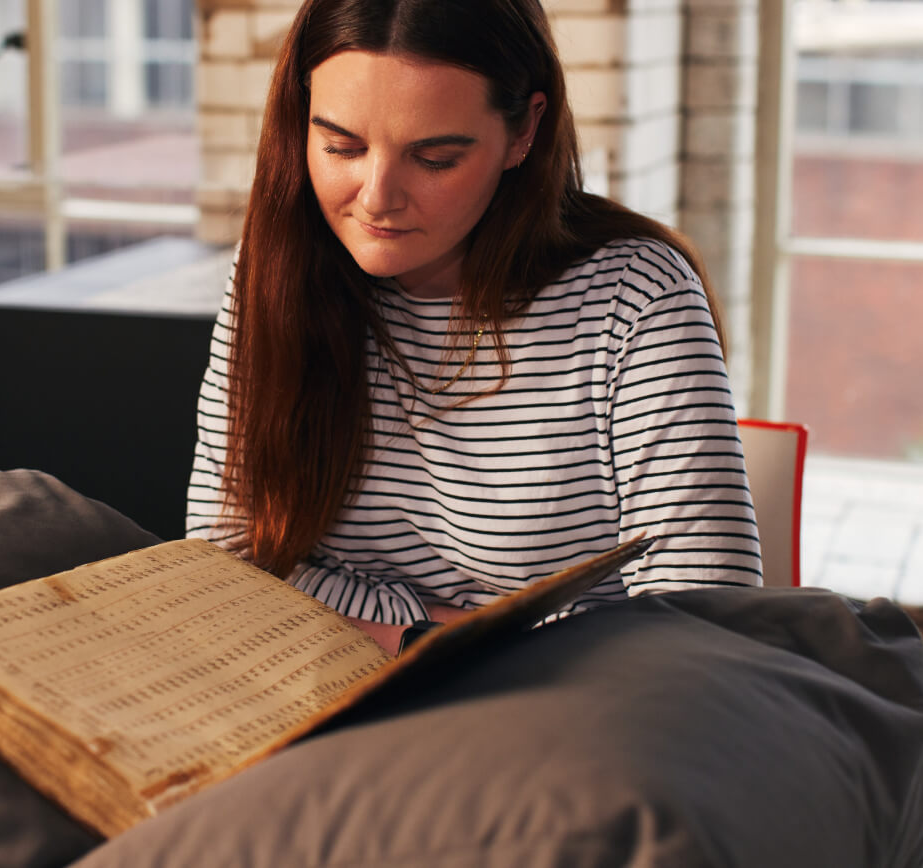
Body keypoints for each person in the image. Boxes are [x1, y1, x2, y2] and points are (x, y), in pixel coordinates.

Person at [186, 0, 762, 653]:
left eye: (434, 158)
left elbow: (710, 630)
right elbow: (220, 567)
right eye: (341, 145)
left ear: (524, 132)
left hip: (565, 713)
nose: (376, 196)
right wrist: (427, 636)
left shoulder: (635, 298)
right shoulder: (276, 269)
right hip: (326, 689)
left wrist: (398, 635)